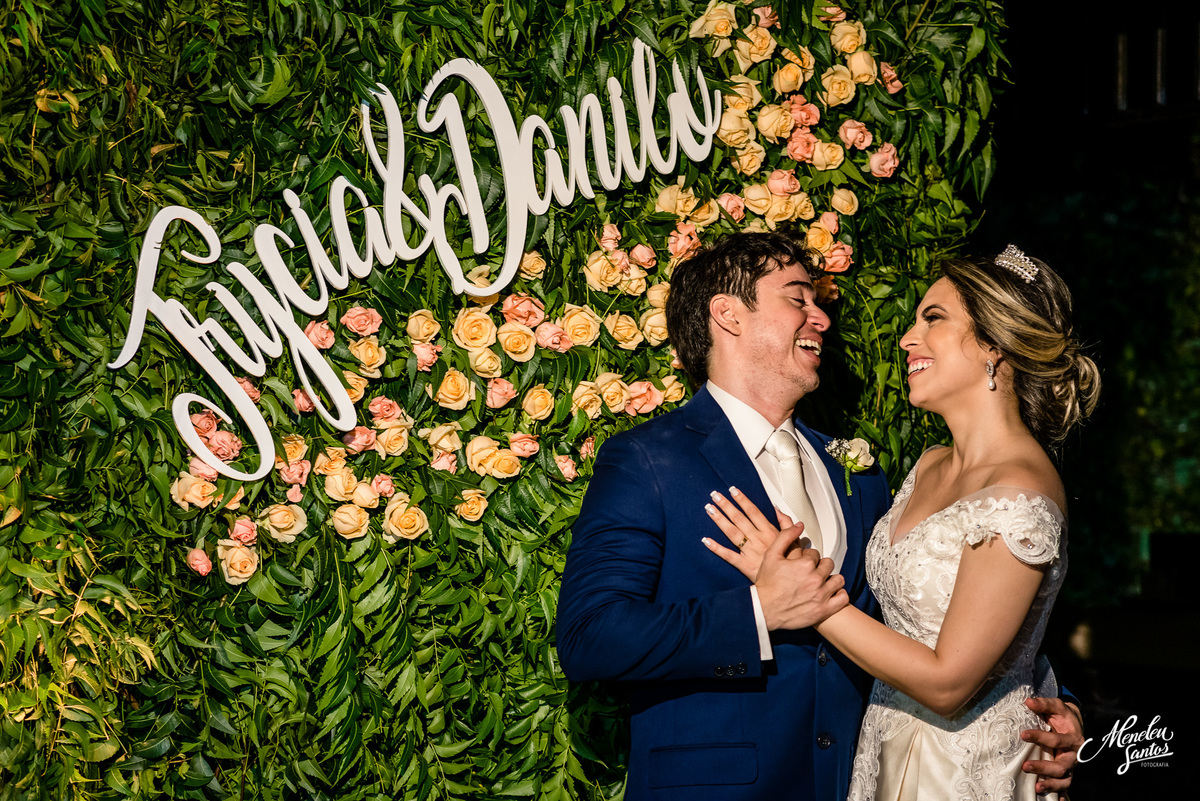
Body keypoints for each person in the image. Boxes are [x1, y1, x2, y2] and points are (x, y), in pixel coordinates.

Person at [556, 233, 1081, 801]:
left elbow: (945, 611)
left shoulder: (858, 472)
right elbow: (590, 638)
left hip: (860, 779)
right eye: (797, 298)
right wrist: (760, 611)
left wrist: (1055, 704)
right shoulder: (647, 460)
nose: (822, 320)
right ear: (728, 314)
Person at [704, 244, 1097, 800]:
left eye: (933, 318)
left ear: (994, 344)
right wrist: (1061, 697)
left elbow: (949, 681)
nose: (908, 338)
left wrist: (804, 594)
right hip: (885, 745)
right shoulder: (929, 465)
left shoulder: (1020, 492)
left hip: (967, 769)